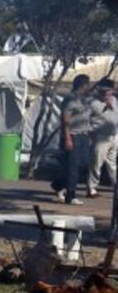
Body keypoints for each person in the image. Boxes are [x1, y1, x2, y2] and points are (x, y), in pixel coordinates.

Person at [52, 74, 93, 205]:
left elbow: (86, 118)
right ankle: (71, 195)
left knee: (85, 163)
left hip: (84, 135)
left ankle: (59, 185)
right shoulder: (70, 100)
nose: (90, 86)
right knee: (73, 166)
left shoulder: (84, 100)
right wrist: (68, 138)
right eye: (88, 84)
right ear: (83, 85)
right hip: (73, 135)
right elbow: (65, 120)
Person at [88, 79, 117, 198]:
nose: (106, 95)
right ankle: (91, 187)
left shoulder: (115, 100)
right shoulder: (93, 103)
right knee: (97, 163)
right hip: (100, 136)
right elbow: (86, 119)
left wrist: (111, 106)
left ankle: (115, 185)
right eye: (104, 92)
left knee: (112, 163)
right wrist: (90, 132)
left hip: (114, 135)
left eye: (109, 92)